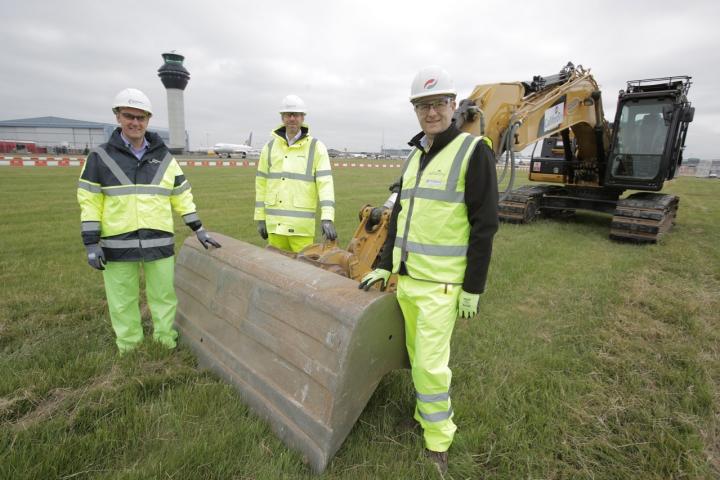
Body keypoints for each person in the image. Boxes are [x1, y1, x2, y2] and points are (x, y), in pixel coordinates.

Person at [358, 66, 499, 474]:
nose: (431, 112)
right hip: (408, 283)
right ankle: (424, 418)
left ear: (454, 106)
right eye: (423, 105)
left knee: (432, 366)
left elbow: (485, 224)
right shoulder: (415, 155)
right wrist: (384, 266)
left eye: (438, 103)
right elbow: (400, 216)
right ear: (415, 110)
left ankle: (439, 439)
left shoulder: (474, 152)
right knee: (417, 357)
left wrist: (473, 287)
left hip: (441, 287)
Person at [77, 88, 221, 353]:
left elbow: (181, 194)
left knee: (163, 295)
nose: (135, 122)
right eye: (128, 116)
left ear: (148, 120)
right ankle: (129, 347)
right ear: (118, 117)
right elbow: (89, 201)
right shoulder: (100, 157)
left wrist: (197, 228)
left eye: (140, 117)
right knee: (122, 299)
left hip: (159, 239)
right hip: (117, 242)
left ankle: (164, 341)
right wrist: (90, 242)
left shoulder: (164, 158)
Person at [254, 94, 336, 252]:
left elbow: (325, 184)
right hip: (275, 227)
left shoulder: (316, 147)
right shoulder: (269, 148)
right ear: (282, 117)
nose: (292, 118)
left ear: (303, 117)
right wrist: (260, 217)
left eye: (296, 115)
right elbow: (261, 184)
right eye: (288, 114)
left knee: (303, 273)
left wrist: (327, 217)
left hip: (301, 229)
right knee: (274, 272)